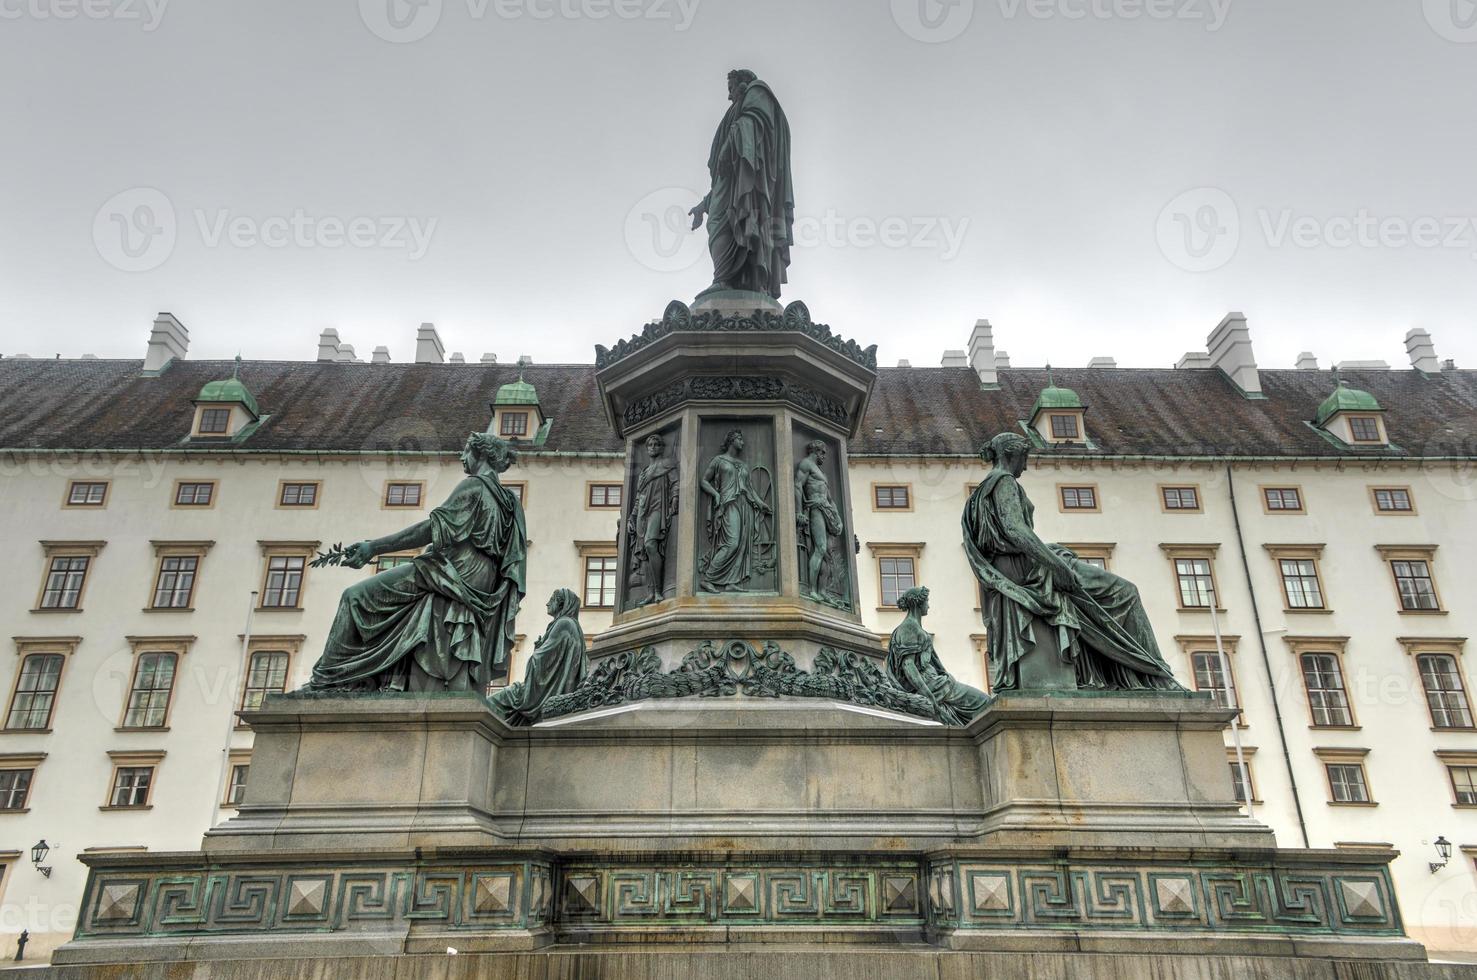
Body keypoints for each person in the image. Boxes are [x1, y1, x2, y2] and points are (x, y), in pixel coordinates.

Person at [306, 432, 527, 692]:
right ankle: (376, 676)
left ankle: (328, 680)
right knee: (398, 607)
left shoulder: (474, 486)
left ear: (481, 454)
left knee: (354, 597)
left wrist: (373, 547)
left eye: (466, 451)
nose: (461, 456)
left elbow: (430, 529)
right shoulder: (510, 502)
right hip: (479, 579)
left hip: (450, 574)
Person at [963, 432, 1181, 692]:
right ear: (1013, 454)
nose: (1026, 464)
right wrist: (1057, 565)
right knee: (1125, 592)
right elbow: (1015, 530)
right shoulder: (1004, 481)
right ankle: (1151, 675)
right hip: (1030, 571)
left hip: (1014, 569)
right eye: (1025, 457)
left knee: (1091, 595)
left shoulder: (982, 490)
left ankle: (1121, 675)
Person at [688, 69, 795, 300]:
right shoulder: (738, 111)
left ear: (743, 85)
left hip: (748, 182)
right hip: (734, 181)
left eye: (731, 89)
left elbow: (753, 121)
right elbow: (722, 184)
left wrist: (729, 145)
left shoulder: (758, 92)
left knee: (729, 222)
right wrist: (702, 205)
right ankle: (725, 279)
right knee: (719, 221)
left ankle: (724, 279)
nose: (729, 97)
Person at [886, 587, 991, 725]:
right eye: (927, 601)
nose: (928, 606)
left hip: (940, 683)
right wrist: (927, 694)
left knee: (984, 707)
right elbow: (908, 665)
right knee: (985, 703)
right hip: (935, 686)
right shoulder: (909, 628)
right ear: (918, 604)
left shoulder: (914, 627)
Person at [488, 589, 587, 726]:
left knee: (494, 701)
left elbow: (540, 660)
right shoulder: (570, 624)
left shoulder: (563, 623)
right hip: (547, 687)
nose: (547, 604)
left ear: (560, 604)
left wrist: (537, 652)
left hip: (541, 690)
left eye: (552, 600)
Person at [698, 429, 772, 591]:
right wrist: (716, 494)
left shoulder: (743, 465)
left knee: (741, 545)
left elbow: (750, 489)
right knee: (732, 543)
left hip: (744, 505)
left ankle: (731, 581)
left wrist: (761, 504)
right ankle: (708, 578)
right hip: (728, 504)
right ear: (731, 440)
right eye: (740, 439)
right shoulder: (719, 461)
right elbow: (704, 481)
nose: (743, 443)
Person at [629, 432, 680, 605]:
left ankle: (658, 590)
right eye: (650, 445)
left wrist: (675, 498)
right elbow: (638, 497)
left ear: (662, 447)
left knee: (651, 545)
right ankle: (650, 593)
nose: (653, 447)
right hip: (643, 511)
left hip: (658, 507)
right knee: (644, 552)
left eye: (656, 444)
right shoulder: (643, 473)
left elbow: (675, 483)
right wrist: (632, 516)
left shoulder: (667, 465)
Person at [794, 439, 844, 601]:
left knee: (828, 554)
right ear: (816, 451)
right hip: (815, 508)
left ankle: (822, 591)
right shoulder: (806, 464)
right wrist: (799, 511)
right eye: (823, 453)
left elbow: (830, 499)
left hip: (827, 511)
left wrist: (838, 519)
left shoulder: (823, 475)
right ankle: (812, 590)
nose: (824, 456)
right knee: (820, 548)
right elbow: (797, 486)